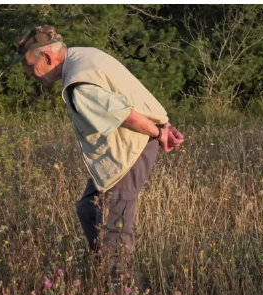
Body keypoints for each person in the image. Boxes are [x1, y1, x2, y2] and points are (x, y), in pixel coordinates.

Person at [12, 25, 185, 282]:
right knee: (88, 209)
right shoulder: (84, 55)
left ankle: (122, 289)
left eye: (28, 64)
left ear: (47, 57)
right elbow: (130, 93)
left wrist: (159, 133)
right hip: (126, 146)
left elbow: (124, 113)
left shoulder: (79, 84)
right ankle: (104, 271)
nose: (28, 72)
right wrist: (161, 126)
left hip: (128, 151)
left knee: (114, 225)